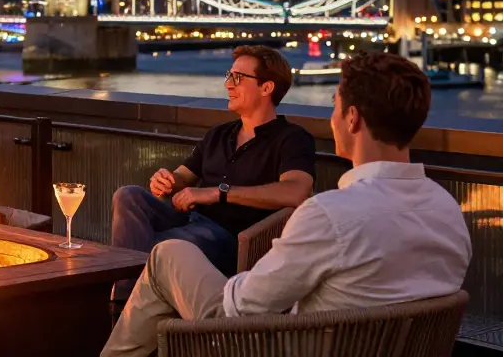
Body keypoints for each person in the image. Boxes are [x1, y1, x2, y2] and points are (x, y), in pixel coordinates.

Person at [102, 51, 472, 357]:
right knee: (157, 236)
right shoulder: (449, 213)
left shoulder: (329, 215)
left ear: (352, 118)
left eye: (334, 106)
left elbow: (242, 306)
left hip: (274, 344)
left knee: (168, 255)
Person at [108, 45, 316, 304]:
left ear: (266, 88)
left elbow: (297, 192)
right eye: (229, 75)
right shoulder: (220, 133)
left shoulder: (291, 138)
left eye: (238, 78)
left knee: (151, 248)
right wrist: (167, 181)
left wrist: (219, 193)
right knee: (128, 196)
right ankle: (132, 293)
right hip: (190, 220)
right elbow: (184, 177)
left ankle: (122, 304)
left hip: (231, 238)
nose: (228, 84)